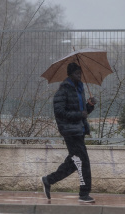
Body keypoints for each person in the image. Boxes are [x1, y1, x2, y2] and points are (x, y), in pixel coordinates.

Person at [41, 62, 97, 203]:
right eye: (77, 73)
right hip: (70, 132)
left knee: (74, 162)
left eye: (80, 72)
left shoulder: (79, 88)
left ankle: (48, 180)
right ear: (70, 74)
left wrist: (89, 106)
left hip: (79, 131)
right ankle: (84, 194)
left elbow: (82, 111)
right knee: (83, 162)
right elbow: (60, 112)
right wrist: (80, 114)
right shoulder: (63, 90)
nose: (79, 75)